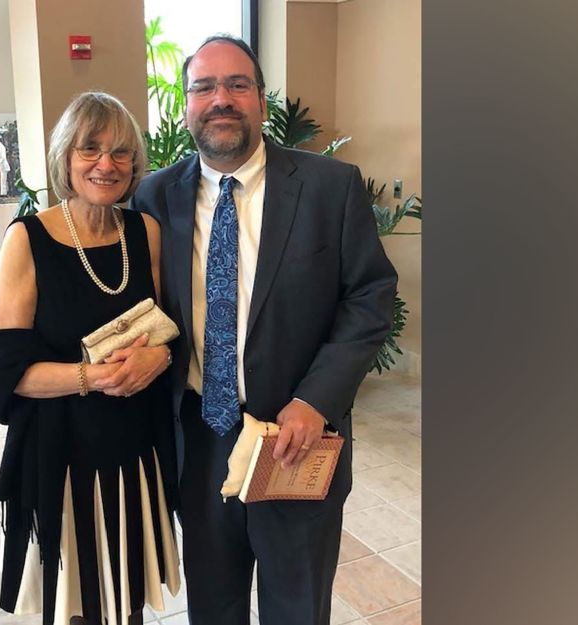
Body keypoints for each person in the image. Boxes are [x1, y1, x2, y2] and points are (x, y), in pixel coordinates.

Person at [130, 36, 398, 625]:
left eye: (237, 85)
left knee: (297, 607)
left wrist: (315, 399)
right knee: (214, 607)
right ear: (185, 104)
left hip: (295, 442)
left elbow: (369, 297)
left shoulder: (331, 186)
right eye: (203, 87)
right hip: (198, 442)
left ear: (260, 99)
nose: (220, 99)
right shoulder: (154, 197)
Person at [0, 91, 181, 625]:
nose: (106, 164)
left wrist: (158, 358)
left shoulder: (144, 232)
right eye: (89, 149)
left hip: (135, 448)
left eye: (120, 152)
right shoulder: (28, 240)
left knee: (128, 594)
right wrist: (95, 377)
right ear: (65, 158)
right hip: (62, 452)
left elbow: (161, 330)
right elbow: (6, 376)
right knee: (78, 602)